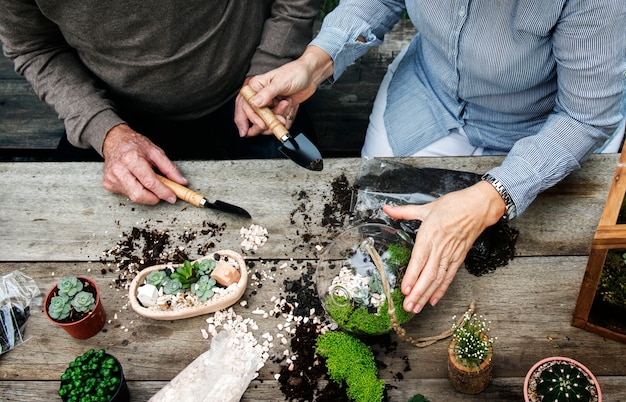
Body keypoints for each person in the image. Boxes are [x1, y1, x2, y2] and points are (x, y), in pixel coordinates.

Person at [239, 0, 626, 315]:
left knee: (510, 277)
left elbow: (585, 116)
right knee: (377, 223)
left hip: (537, 125)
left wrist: (492, 198)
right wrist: (314, 63)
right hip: (426, 97)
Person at [0, 0, 320, 205]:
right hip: (115, 112)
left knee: (305, 204)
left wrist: (271, 62)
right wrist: (104, 129)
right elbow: (33, 46)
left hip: (248, 92)